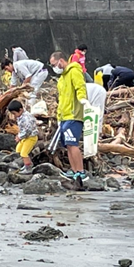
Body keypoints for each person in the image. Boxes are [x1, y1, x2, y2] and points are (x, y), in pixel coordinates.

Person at [49, 52, 89, 182]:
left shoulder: (74, 71)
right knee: (68, 145)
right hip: (65, 116)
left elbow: (80, 86)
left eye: (54, 64)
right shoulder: (62, 78)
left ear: (61, 61)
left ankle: (81, 172)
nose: (54, 67)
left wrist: (83, 99)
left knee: (73, 143)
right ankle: (74, 170)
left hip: (74, 114)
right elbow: (61, 99)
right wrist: (59, 116)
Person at [8, 100, 38, 175]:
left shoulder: (26, 118)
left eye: (14, 113)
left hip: (31, 137)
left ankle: (28, 168)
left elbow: (28, 130)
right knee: (18, 150)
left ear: (20, 110)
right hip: (25, 137)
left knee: (24, 153)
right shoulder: (20, 116)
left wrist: (20, 137)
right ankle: (27, 163)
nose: (14, 115)